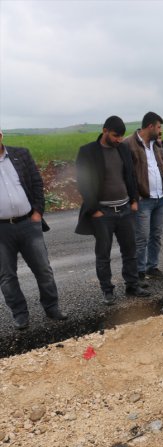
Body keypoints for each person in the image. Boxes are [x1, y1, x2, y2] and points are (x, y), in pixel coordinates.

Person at [75, 116, 150, 305]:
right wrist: (94, 210)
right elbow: (83, 183)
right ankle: (107, 291)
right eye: (116, 135)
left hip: (125, 209)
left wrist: (133, 200)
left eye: (121, 136)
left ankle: (132, 285)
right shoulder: (88, 152)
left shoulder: (123, 148)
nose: (118, 139)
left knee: (130, 251)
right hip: (103, 214)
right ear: (105, 130)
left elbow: (131, 175)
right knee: (103, 254)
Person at [0, 129, 67, 329]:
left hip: (28, 223)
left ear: (1, 135)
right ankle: (20, 314)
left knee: (43, 269)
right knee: (6, 276)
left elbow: (37, 183)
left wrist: (37, 212)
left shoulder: (21, 154)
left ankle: (52, 307)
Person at [122, 112, 163, 280]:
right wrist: (134, 197)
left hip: (160, 198)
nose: (160, 131)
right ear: (150, 126)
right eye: (158, 127)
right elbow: (126, 173)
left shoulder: (156, 144)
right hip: (143, 200)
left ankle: (152, 267)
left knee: (156, 235)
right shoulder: (128, 144)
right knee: (141, 237)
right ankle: (139, 272)